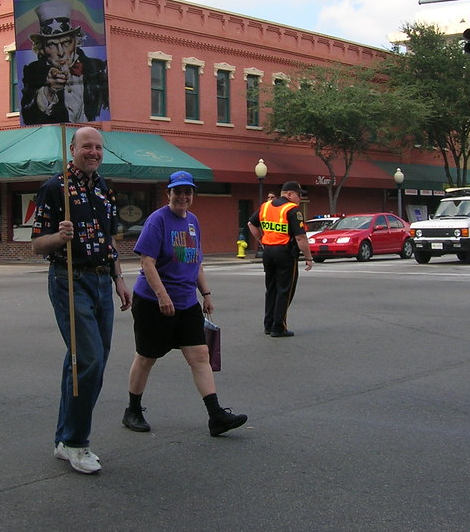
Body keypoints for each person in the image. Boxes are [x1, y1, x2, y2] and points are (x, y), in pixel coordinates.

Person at [31, 126, 131, 474]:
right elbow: (36, 244)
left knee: (86, 359)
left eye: (98, 147)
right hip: (69, 279)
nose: (93, 152)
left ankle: (64, 438)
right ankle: (77, 442)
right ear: (72, 148)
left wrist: (119, 278)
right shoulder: (53, 188)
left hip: (103, 281)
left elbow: (108, 240)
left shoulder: (104, 188)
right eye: (86, 146)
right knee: (88, 360)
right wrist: (59, 236)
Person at [122, 170, 247, 437]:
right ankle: (132, 410)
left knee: (200, 355)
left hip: (187, 302)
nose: (183, 196)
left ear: (192, 195)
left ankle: (216, 416)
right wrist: (162, 295)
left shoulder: (193, 221)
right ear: (169, 193)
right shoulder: (158, 220)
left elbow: (195, 261)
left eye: (187, 191)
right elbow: (146, 262)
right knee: (147, 357)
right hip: (153, 302)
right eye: (177, 191)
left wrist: (207, 294)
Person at [19, 0, 109, 125]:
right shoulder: (32, 73)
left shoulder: (97, 68)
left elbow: (105, 108)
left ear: (76, 42)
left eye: (66, 42)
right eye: (52, 45)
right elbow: (28, 116)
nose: (61, 52)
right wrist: (49, 91)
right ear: (43, 49)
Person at [247, 180, 313, 337]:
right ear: (289, 194)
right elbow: (300, 237)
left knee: (271, 289)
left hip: (268, 252)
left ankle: (268, 325)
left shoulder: (265, 206)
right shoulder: (292, 209)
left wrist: (262, 240)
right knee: (285, 290)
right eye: (299, 195)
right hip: (285, 253)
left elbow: (251, 223)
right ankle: (279, 327)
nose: (300, 199)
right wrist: (309, 257)